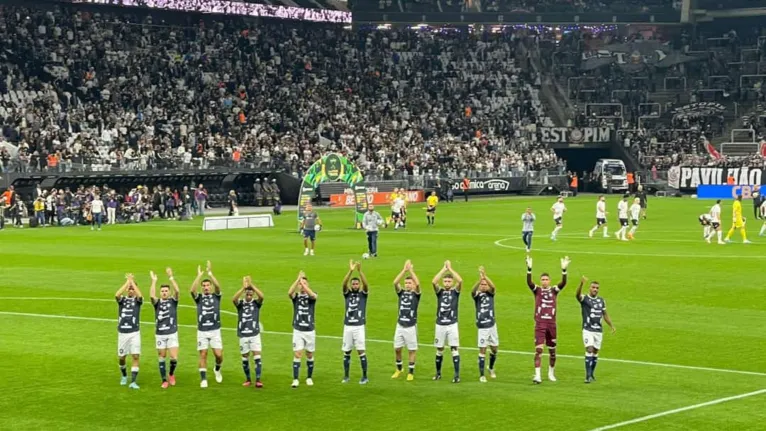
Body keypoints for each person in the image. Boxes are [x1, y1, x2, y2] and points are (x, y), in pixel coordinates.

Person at [525, 255, 570, 384]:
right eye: (542, 279)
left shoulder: (554, 290)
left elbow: (563, 283)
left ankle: (551, 373)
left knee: (552, 351)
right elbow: (529, 283)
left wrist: (564, 270)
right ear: (540, 281)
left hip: (551, 323)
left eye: (546, 279)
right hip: (540, 323)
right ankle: (537, 375)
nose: (544, 281)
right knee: (539, 350)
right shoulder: (537, 290)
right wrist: (529, 269)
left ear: (549, 281)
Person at [576, 276, 616, 383]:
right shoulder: (585, 299)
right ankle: (587, 376)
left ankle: (592, 374)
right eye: (593, 287)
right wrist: (581, 284)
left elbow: (605, 314)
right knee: (589, 349)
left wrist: (611, 325)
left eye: (597, 288)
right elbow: (577, 295)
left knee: (595, 352)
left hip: (598, 330)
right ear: (590, 288)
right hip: (587, 329)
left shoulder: (601, 301)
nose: (595, 289)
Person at [191, 261, 224, 388]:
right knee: (203, 354)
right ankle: (203, 379)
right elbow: (192, 290)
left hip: (215, 330)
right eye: (203, 286)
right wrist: (199, 275)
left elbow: (218, 286)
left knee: (218, 355)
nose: (205, 287)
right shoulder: (199, 298)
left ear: (210, 287)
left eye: (207, 285)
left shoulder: (216, 296)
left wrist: (210, 274)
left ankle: (217, 368)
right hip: (202, 330)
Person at [432, 260, 463, 383]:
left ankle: (456, 375)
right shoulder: (440, 292)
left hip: (452, 324)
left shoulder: (455, 291)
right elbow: (434, 282)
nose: (447, 283)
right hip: (440, 324)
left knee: (454, 348)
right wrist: (443, 270)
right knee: (439, 349)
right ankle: (438, 373)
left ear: (452, 282)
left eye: (449, 281)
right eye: (445, 281)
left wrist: (450, 269)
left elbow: (460, 281)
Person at [150, 268, 180, 389]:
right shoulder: (157, 303)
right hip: (160, 334)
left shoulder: (173, 301)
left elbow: (177, 291)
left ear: (169, 292)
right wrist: (154, 281)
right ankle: (164, 380)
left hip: (172, 333)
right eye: (162, 291)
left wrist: (171, 277)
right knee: (162, 356)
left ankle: (171, 374)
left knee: (174, 357)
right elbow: (151, 296)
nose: (164, 293)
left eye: (166, 291)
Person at [233, 275, 264, 388]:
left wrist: (252, 286)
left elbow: (262, 296)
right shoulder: (240, 304)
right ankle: (248, 379)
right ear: (245, 294)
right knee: (245, 357)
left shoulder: (256, 304)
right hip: (243, 335)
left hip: (254, 334)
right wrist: (243, 288)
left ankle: (258, 380)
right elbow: (234, 299)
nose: (249, 296)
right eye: (248, 294)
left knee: (257, 356)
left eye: (251, 294)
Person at [341, 260, 370, 384]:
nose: (355, 285)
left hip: (359, 326)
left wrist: (360, 271)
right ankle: (346, 376)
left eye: (357, 284)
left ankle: (364, 376)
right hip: (348, 326)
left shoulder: (363, 295)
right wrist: (350, 271)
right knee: (346, 351)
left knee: (361, 351)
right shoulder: (347, 294)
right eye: (353, 284)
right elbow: (343, 284)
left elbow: (366, 285)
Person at [392, 260, 421, 381]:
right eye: (406, 283)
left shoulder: (416, 294)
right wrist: (404, 270)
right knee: (397, 349)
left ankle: (410, 372)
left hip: (410, 326)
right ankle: (399, 369)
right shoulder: (402, 293)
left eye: (410, 283)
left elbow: (418, 285)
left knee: (411, 350)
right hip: (400, 325)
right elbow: (395, 282)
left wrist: (411, 271)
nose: (408, 285)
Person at [289, 271, 318, 388]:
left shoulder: (312, 296)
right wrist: (297, 280)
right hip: (298, 330)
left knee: (309, 354)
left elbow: (312, 295)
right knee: (297, 353)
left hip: (310, 330)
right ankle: (295, 379)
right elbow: (289, 292)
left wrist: (303, 284)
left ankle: (309, 377)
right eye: (301, 284)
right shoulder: (296, 297)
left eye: (304, 283)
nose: (302, 285)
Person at [116, 273, 143, 389]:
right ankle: (124, 376)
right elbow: (117, 294)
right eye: (130, 289)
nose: (131, 291)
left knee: (135, 356)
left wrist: (132, 282)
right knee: (122, 357)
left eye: (133, 289)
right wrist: (128, 282)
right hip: (122, 333)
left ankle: (133, 381)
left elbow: (140, 295)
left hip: (134, 333)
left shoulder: (138, 301)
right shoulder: (122, 300)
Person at [472, 266, 498, 383]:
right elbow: (472, 291)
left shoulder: (491, 294)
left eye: (484, 284)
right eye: (482, 284)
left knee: (494, 349)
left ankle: (491, 368)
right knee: (482, 350)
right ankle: (482, 375)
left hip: (492, 325)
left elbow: (493, 287)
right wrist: (479, 280)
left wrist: (485, 276)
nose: (483, 286)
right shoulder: (477, 296)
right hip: (482, 326)